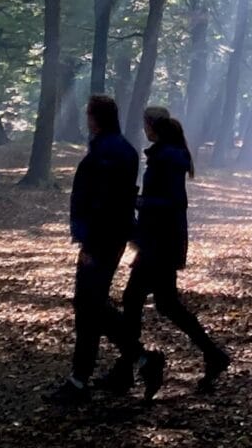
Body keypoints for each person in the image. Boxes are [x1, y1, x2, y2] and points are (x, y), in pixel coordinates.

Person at [99, 106, 231, 396]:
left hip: (160, 243)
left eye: (145, 124)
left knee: (133, 299)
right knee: (166, 304)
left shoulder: (166, 158)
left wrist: (138, 202)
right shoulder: (167, 154)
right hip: (162, 241)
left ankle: (130, 366)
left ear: (151, 126)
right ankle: (212, 355)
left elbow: (172, 202)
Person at [47, 95, 162, 406]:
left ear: (95, 118)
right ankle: (85, 377)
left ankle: (135, 361)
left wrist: (87, 241)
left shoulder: (106, 152)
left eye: (88, 114)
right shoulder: (122, 149)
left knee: (89, 304)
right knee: (90, 304)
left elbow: (101, 199)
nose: (87, 119)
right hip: (114, 234)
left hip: (101, 237)